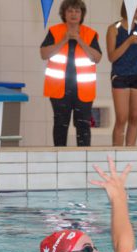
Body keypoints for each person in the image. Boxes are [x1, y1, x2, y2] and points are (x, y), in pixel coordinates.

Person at [40, 0, 102, 147]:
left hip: (83, 90)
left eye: (77, 11)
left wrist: (79, 40)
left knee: (83, 126)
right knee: (60, 125)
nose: (74, 14)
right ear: (64, 14)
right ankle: (59, 158)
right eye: (70, 11)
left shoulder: (90, 33)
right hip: (59, 89)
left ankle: (84, 158)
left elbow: (97, 57)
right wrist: (64, 40)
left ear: (82, 14)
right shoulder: (55, 31)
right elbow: (43, 53)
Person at [106, 1, 137, 147]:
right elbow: (112, 56)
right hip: (120, 76)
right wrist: (129, 41)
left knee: (134, 117)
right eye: (133, 10)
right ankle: (117, 152)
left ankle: (130, 152)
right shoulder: (114, 29)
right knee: (121, 118)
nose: (136, 13)